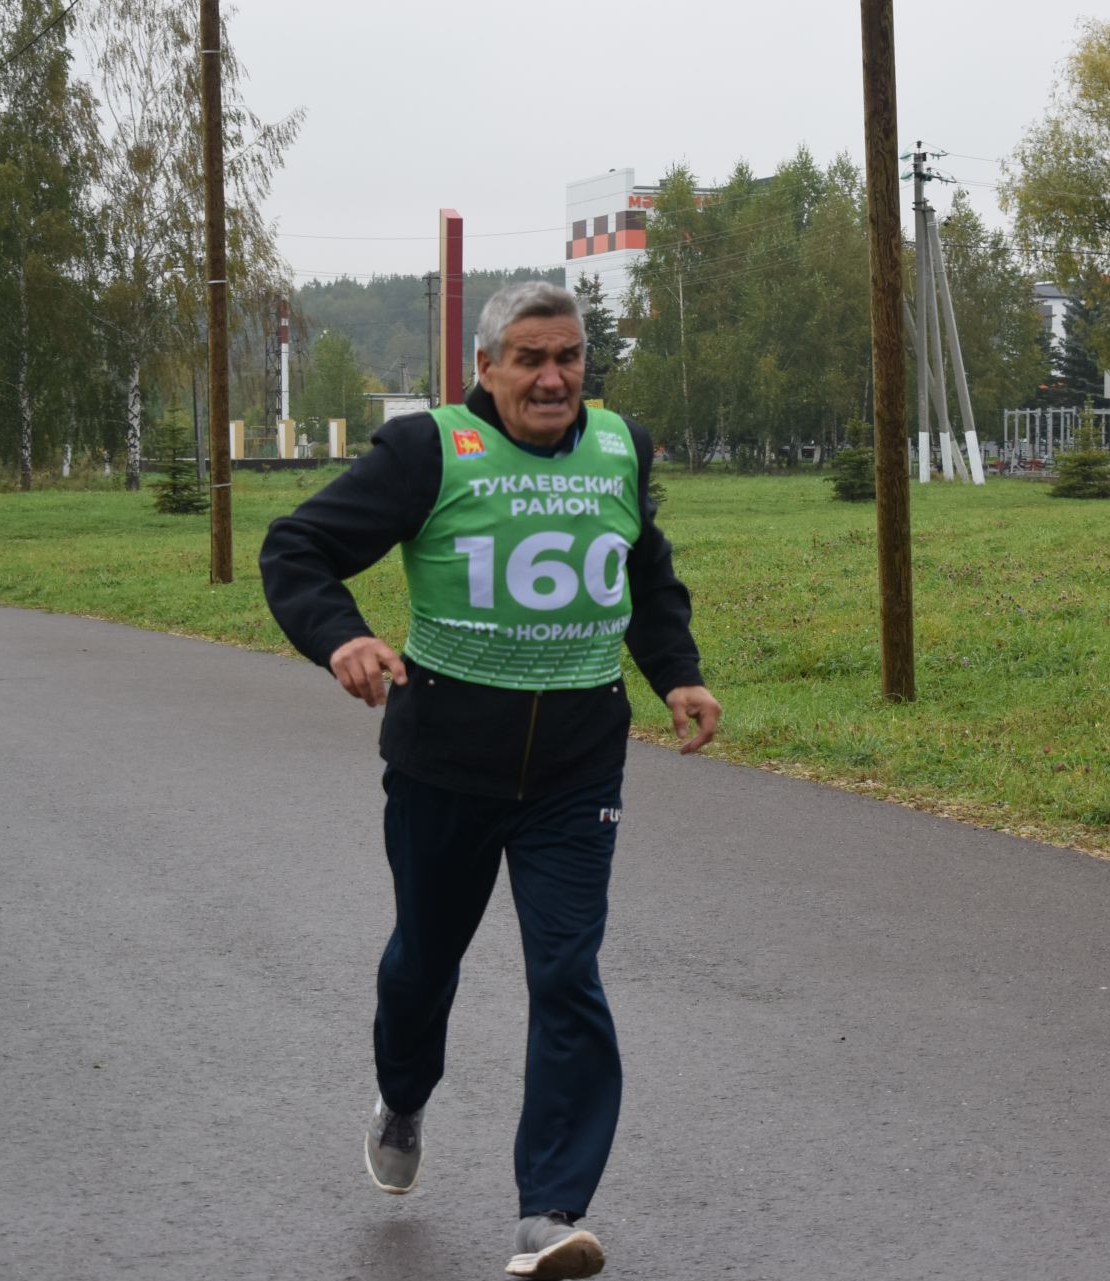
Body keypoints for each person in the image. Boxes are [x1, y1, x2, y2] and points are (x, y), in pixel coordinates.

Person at [260, 281, 720, 1281]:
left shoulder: (617, 447)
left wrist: (676, 672)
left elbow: (643, 572)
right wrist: (340, 637)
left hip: (577, 764)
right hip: (444, 764)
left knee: (567, 973)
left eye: (567, 357)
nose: (552, 378)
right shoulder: (428, 452)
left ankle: (548, 1214)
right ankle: (403, 1094)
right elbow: (297, 547)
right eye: (528, 359)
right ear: (486, 369)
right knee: (426, 964)